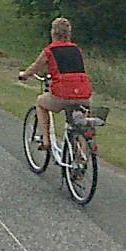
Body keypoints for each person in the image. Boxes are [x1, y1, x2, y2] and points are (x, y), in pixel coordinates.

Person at [17, 17, 92, 153]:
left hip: (63, 94)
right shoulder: (76, 49)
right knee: (79, 122)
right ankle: (82, 154)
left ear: (53, 32)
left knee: (40, 102)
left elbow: (35, 67)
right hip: (83, 94)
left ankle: (45, 140)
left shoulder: (50, 50)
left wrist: (24, 75)